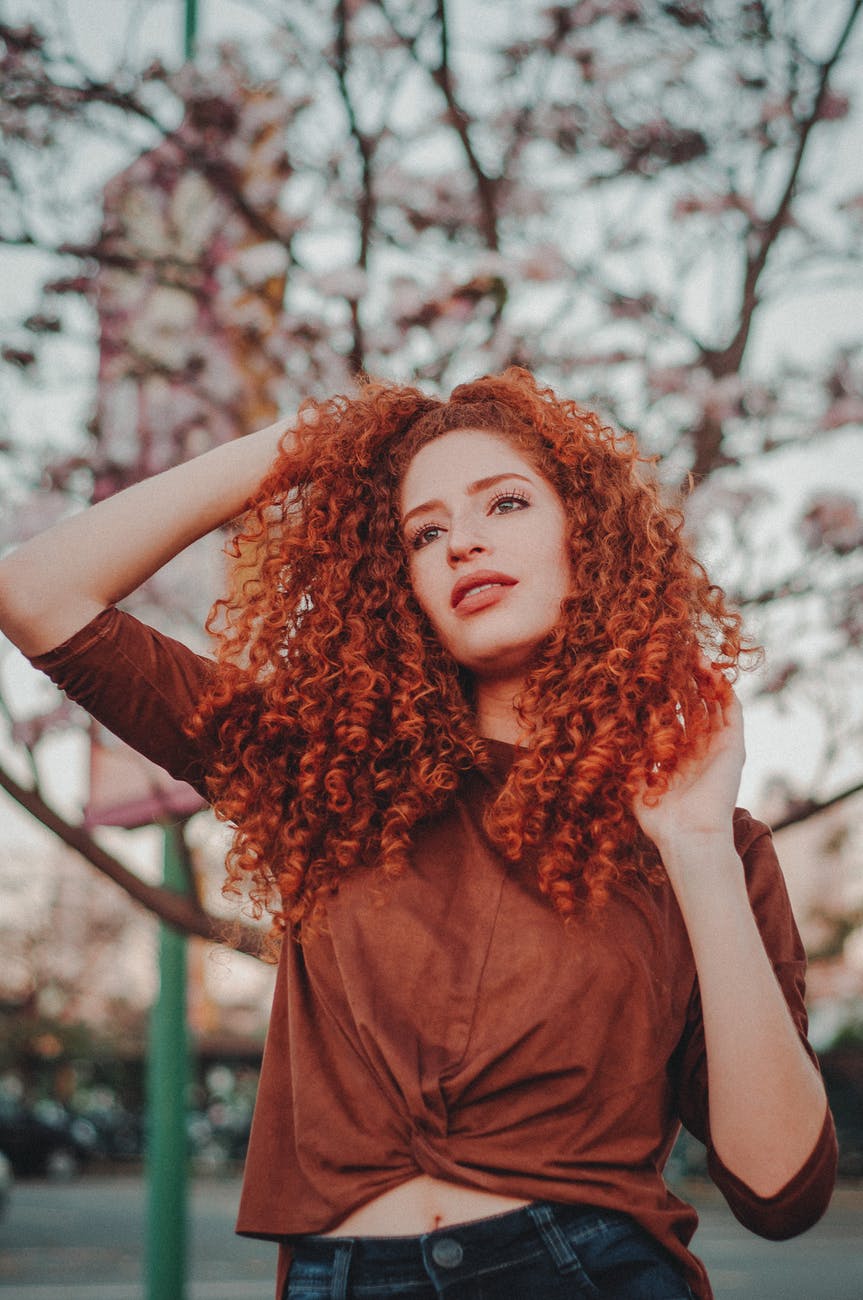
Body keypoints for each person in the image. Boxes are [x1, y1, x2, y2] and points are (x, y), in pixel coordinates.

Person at [0, 368, 836, 1300]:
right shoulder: (320, 771)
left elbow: (778, 1189)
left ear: (589, 539)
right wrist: (311, 442)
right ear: (399, 585)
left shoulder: (711, 844)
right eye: (423, 531)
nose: (461, 541)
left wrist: (691, 848)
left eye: (505, 503)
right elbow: (37, 591)